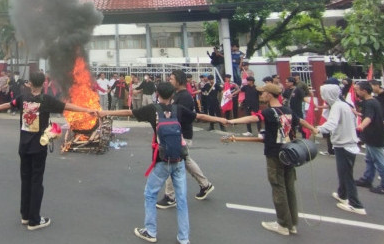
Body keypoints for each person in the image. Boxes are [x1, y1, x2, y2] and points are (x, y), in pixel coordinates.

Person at [100, 81, 226, 244]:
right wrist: (222, 120)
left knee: (150, 194)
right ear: (172, 95)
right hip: (179, 159)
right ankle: (183, 238)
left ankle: (150, 231)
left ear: (157, 94)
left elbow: (128, 112)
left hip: (162, 160)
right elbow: (199, 116)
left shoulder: (152, 110)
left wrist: (105, 113)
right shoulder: (178, 110)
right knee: (181, 199)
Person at [0, 71, 98, 231]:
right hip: (38, 147)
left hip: (23, 147)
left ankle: (25, 215)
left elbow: (8, 105)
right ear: (44, 83)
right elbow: (67, 106)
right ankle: (34, 220)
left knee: (26, 181)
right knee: (36, 182)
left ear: (29, 83)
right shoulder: (46, 100)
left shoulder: (23, 97)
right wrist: (87, 110)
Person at [226, 83, 315, 236]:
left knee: (278, 187)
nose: (261, 95)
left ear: (269, 94)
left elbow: (253, 118)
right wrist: (314, 129)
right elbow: (300, 121)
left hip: (275, 154)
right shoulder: (288, 111)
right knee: (289, 188)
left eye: (263, 93)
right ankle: (292, 223)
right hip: (290, 153)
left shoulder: (268, 112)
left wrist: (232, 121)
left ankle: (282, 224)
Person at [157, 70, 215, 209]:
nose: (170, 81)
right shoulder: (179, 95)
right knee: (186, 160)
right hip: (178, 135)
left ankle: (170, 197)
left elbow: (182, 117)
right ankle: (205, 185)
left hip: (180, 135)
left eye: (171, 79)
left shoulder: (184, 97)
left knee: (172, 162)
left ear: (179, 80)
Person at [315, 83, 366, 215]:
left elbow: (331, 124)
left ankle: (356, 204)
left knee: (346, 174)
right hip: (346, 143)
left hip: (344, 145)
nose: (323, 97)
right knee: (343, 172)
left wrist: (318, 129)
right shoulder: (344, 105)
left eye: (323, 94)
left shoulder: (337, 107)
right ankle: (342, 194)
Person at [353, 81, 384, 195]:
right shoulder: (373, 101)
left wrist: (361, 126)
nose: (356, 92)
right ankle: (367, 179)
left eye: (357, 90)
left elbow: (369, 118)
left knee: (379, 161)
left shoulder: (369, 103)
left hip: (374, 136)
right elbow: (372, 116)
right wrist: (358, 114)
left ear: (364, 91)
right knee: (369, 159)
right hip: (373, 134)